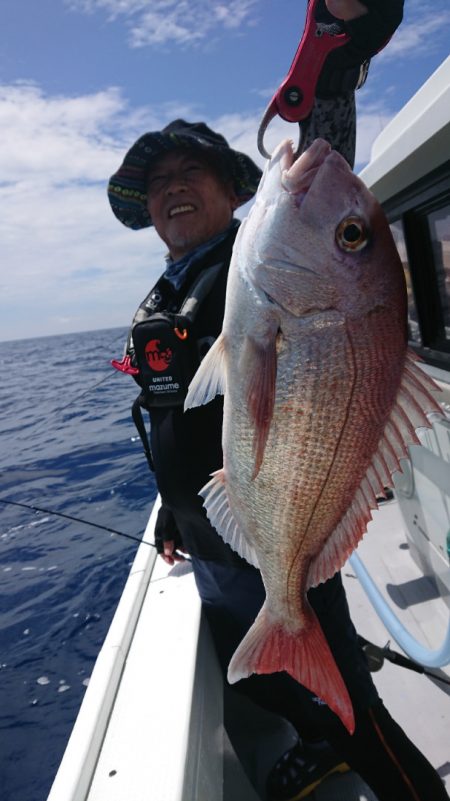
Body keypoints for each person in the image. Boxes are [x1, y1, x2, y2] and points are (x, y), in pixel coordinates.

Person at [108, 2, 449, 799]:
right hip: (215, 540)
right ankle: (319, 737)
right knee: (269, 683)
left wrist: (337, 47)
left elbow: (329, 161)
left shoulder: (261, 256)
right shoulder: (181, 288)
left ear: (235, 192)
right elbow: (173, 415)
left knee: (360, 720)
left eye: (190, 173)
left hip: (287, 526)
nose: (172, 189)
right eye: (158, 183)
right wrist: (173, 515)